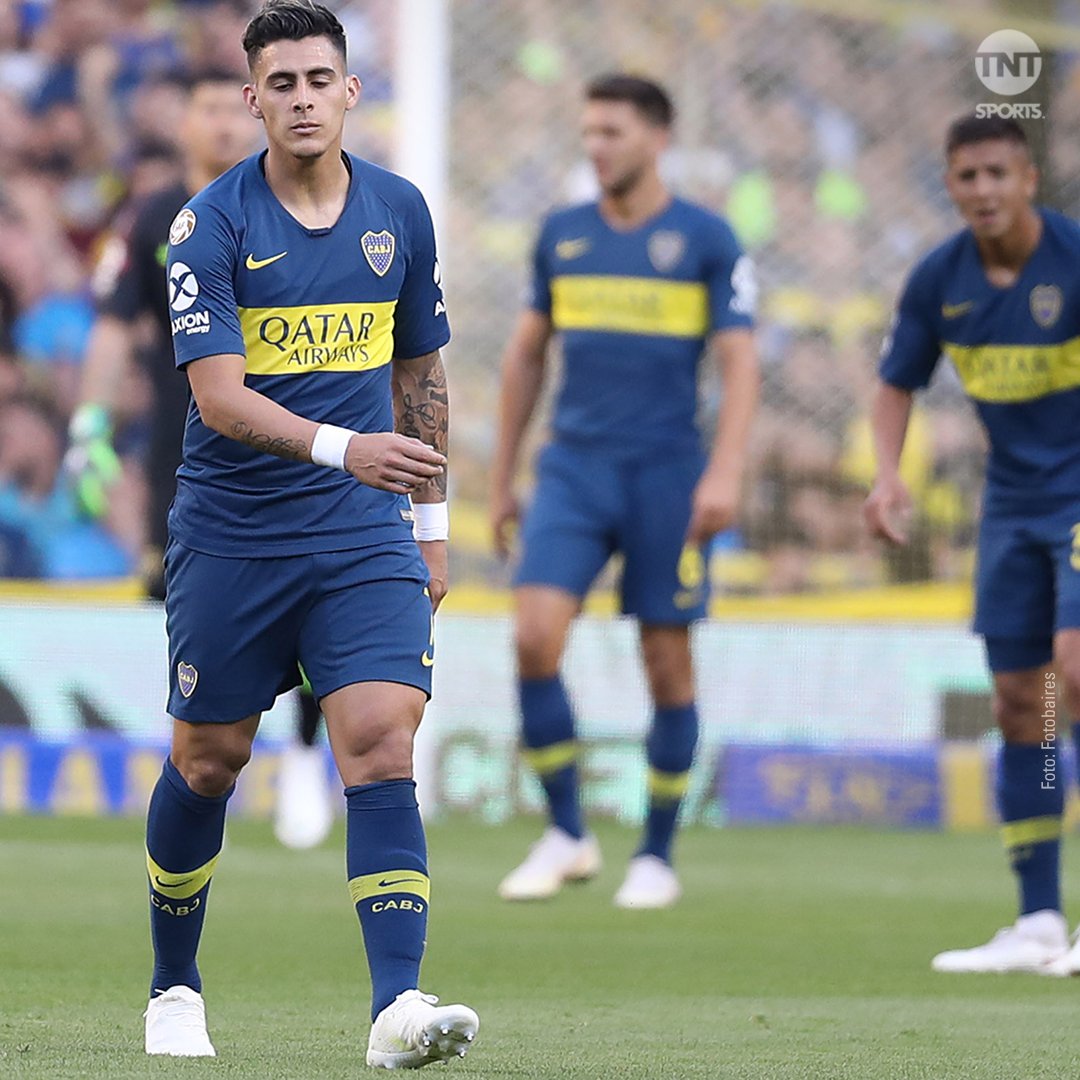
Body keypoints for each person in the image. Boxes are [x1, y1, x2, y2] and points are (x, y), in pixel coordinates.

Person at [142, 1, 478, 1067]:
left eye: (318, 79)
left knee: (380, 739)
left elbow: (420, 370)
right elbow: (219, 398)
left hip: (361, 534)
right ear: (253, 99)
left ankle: (396, 1007)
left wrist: (430, 527)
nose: (301, 99)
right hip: (234, 534)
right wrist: (347, 448)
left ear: (350, 91)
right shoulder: (208, 226)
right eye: (280, 83)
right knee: (208, 761)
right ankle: (174, 986)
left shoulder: (399, 211)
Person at [490, 74, 759, 909]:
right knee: (534, 637)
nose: (596, 146)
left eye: (612, 131)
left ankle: (656, 855)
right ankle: (567, 833)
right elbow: (526, 356)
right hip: (574, 469)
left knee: (666, 662)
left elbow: (740, 364)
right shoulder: (562, 235)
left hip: (667, 474)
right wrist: (502, 478)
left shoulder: (707, 239)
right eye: (589, 132)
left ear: (658, 138)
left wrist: (725, 471)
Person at [69, 68, 335, 851]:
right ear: (183, 122)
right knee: (188, 598)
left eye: (230, 108)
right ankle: (204, 753)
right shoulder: (154, 217)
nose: (220, 122)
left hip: (290, 439)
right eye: (206, 108)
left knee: (311, 597)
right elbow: (113, 325)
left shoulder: (288, 208)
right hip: (186, 450)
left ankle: (306, 755)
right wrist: (89, 423)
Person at [865, 114, 1080, 976]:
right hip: (1012, 508)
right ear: (950, 186)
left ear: (1029, 180)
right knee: (1024, 704)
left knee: (1074, 672)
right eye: (967, 176)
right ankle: (1039, 922)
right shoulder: (939, 279)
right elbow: (896, 383)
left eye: (998, 173)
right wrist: (888, 475)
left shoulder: (1073, 259)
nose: (983, 190)